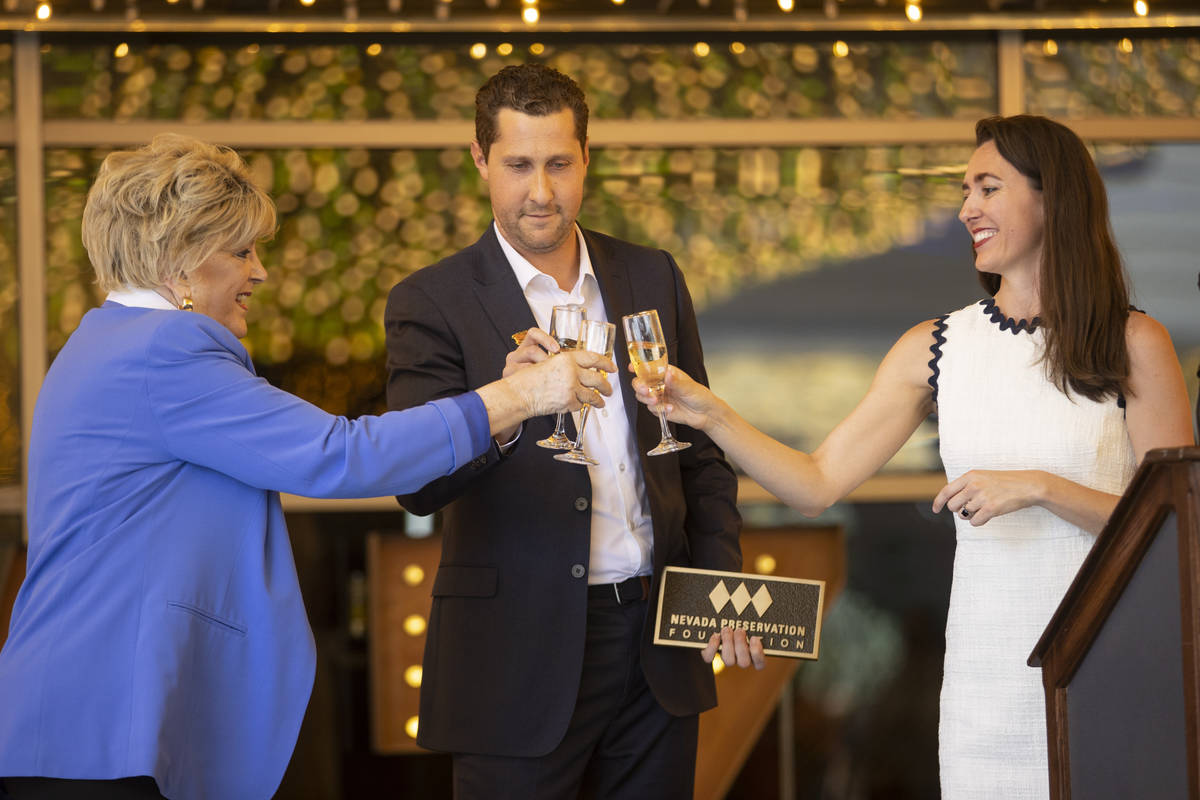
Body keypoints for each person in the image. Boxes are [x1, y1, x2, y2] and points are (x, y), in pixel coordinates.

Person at [0, 134, 613, 800]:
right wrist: (517, 397)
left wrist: (500, 412)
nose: (259, 272)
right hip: (110, 724)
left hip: (79, 719)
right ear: (175, 261)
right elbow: (341, 456)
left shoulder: (104, 341)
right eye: (241, 251)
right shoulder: (167, 350)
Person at [633, 115, 1194, 798]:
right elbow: (815, 484)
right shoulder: (938, 348)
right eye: (965, 191)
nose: (967, 209)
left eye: (988, 187)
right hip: (986, 687)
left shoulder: (1137, 343)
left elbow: (1175, 531)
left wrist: (1043, 489)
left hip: (1113, 672)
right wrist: (709, 413)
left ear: (1054, 199)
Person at [384, 63, 742, 799]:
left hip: (656, 645)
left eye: (558, 164)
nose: (540, 192)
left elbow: (700, 453)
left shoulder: (653, 276)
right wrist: (508, 407)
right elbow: (414, 486)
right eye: (517, 165)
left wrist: (717, 583)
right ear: (480, 160)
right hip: (513, 659)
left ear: (587, 159)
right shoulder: (430, 301)